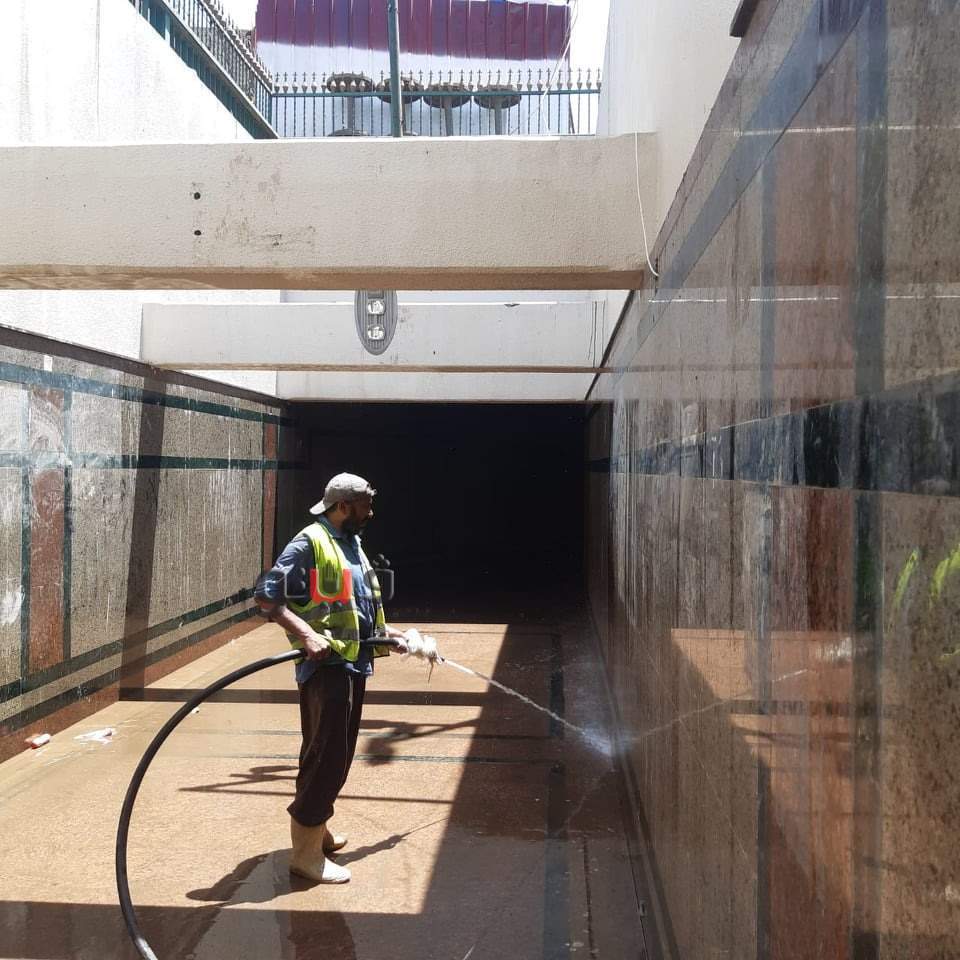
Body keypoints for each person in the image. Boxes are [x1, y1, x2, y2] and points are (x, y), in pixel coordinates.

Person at [255, 472, 408, 884]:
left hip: (351, 662)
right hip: (326, 669)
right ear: (343, 506)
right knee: (326, 758)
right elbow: (267, 597)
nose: (370, 513)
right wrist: (306, 635)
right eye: (365, 506)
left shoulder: (349, 541)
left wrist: (392, 636)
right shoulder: (309, 542)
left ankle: (317, 831)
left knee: (332, 754)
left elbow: (353, 605)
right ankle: (305, 855)